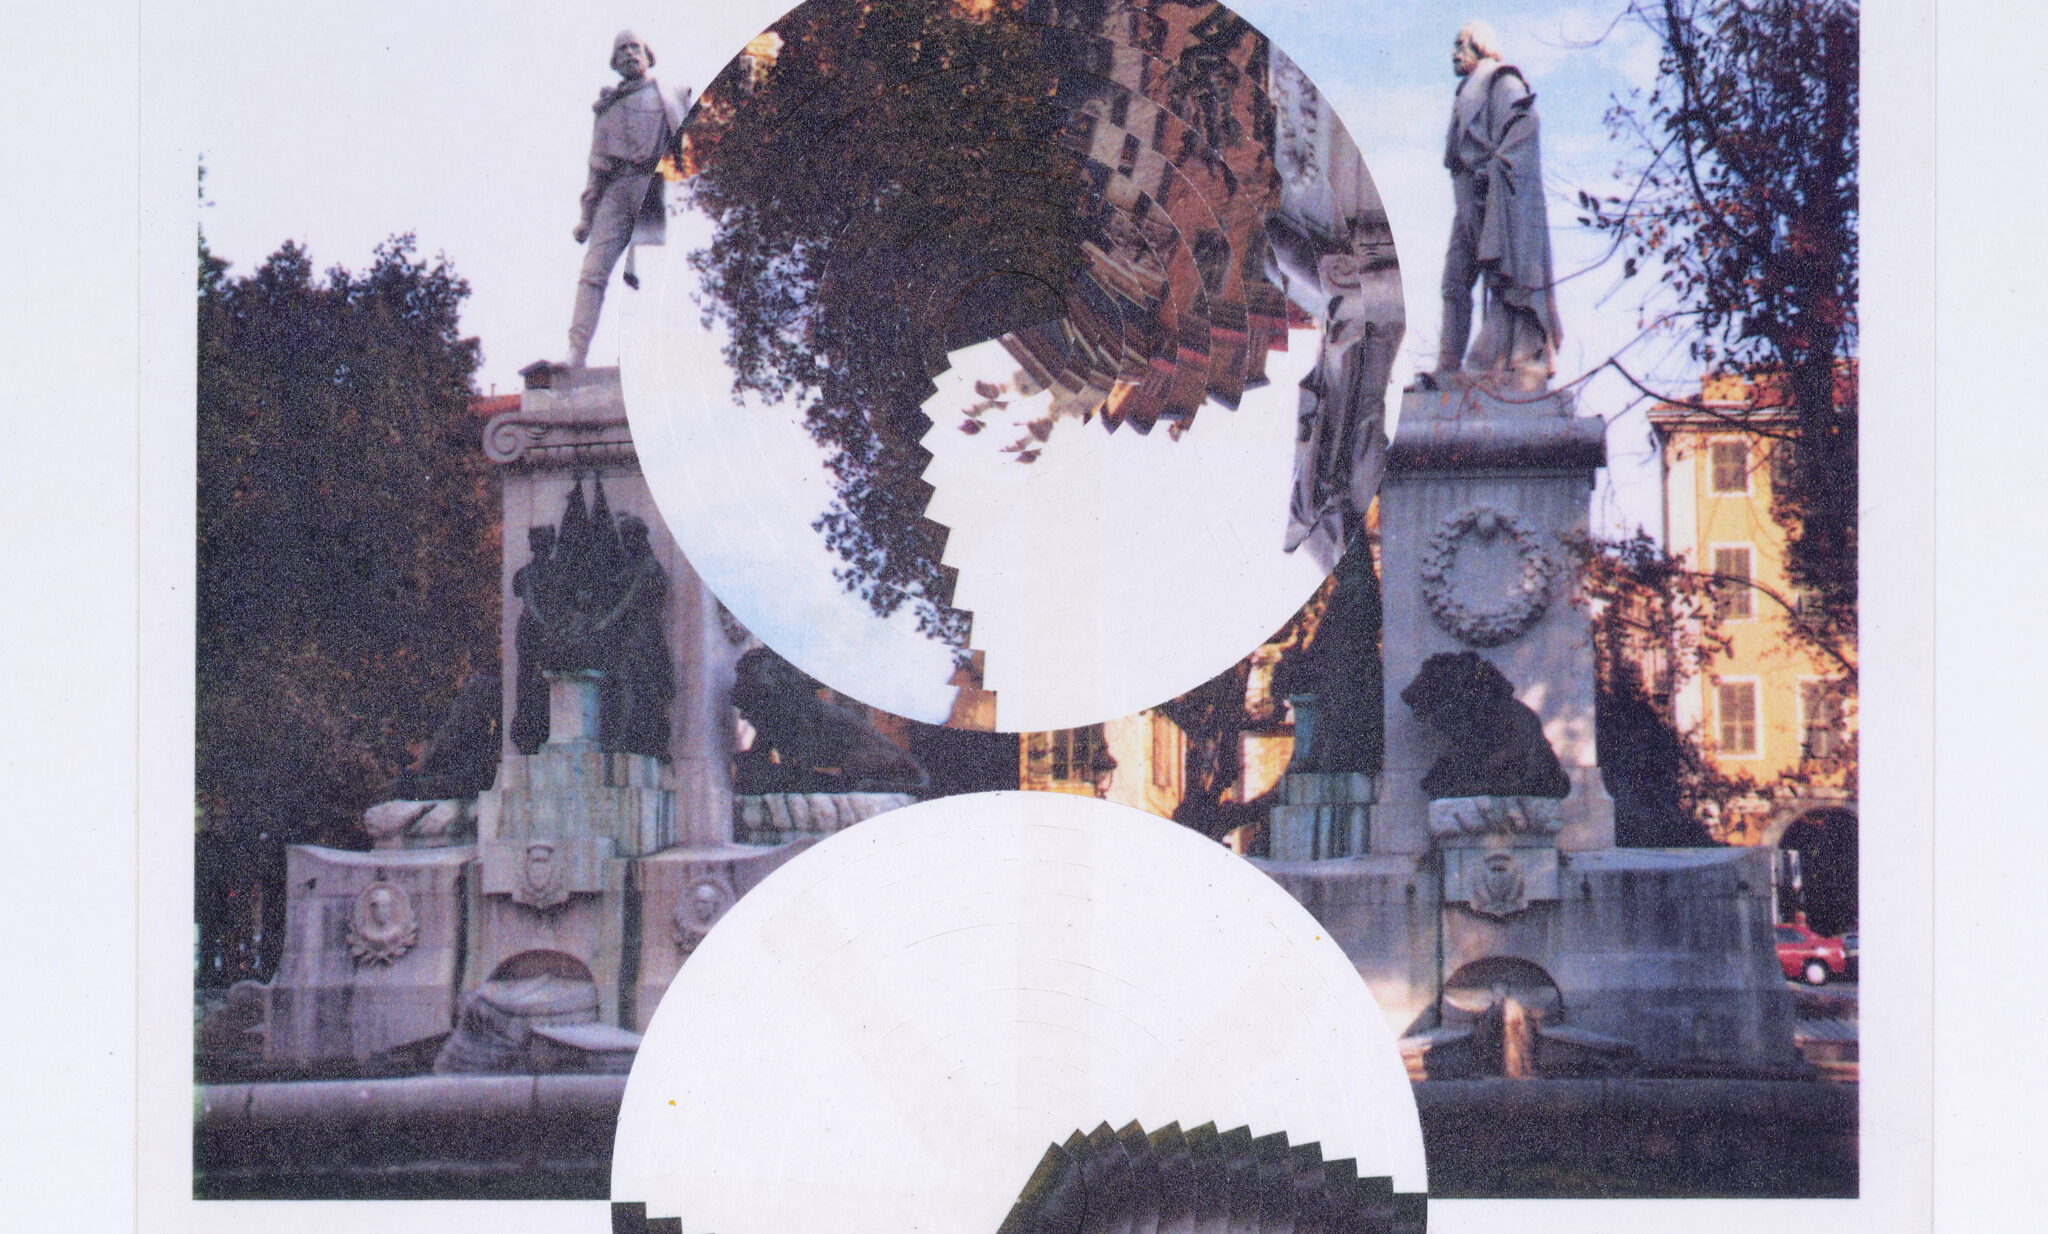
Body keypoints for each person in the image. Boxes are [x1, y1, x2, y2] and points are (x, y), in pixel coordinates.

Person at [1435, 20, 1561, 387]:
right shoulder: (1467, 89)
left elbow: (1526, 123)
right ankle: (1447, 366)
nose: (1454, 53)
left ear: (1481, 46)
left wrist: (1495, 169)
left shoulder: (1501, 80)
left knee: (1500, 279)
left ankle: (1500, 359)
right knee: (1453, 283)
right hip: (1466, 203)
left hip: (1488, 197)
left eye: (1461, 44)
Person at [566, 30, 691, 368]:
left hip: (654, 187)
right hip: (616, 193)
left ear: (648, 55)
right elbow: (596, 167)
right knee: (592, 272)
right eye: (621, 50)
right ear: (614, 62)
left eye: (635, 47)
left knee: (652, 276)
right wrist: (586, 217)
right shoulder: (607, 109)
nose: (629, 53)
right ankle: (575, 353)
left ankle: (651, 361)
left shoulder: (674, 95)